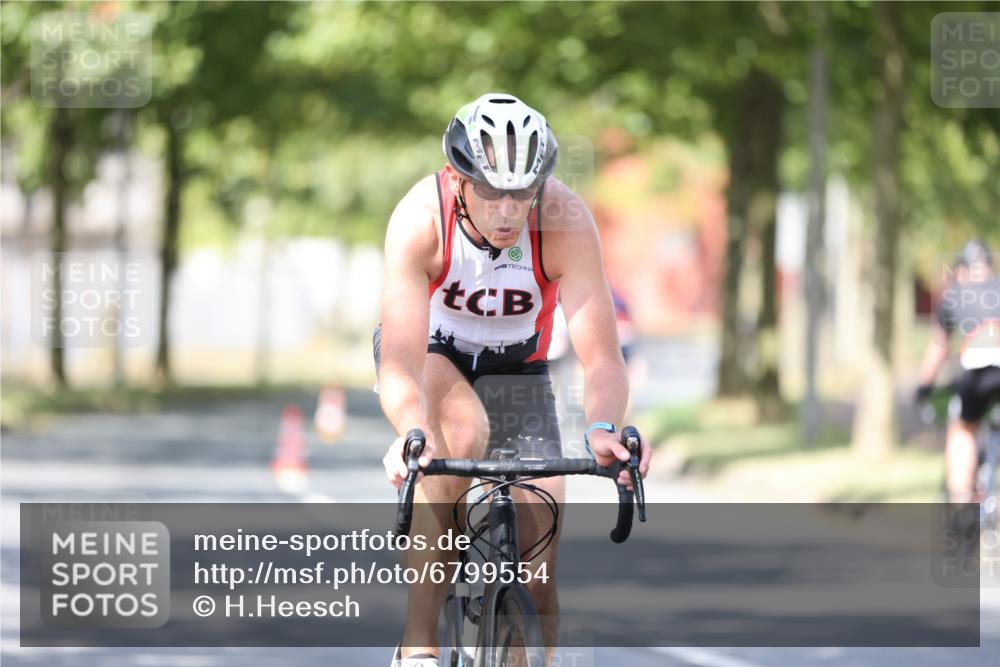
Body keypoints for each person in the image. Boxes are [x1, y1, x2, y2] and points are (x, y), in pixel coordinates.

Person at [373, 93, 652, 667]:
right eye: (491, 191)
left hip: (518, 367)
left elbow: (602, 358)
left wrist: (603, 428)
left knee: (539, 552)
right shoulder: (421, 219)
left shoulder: (565, 221)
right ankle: (419, 641)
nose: (507, 211)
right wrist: (410, 431)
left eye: (522, 193)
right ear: (457, 179)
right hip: (434, 353)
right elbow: (399, 359)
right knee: (459, 432)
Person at [917, 239, 1000, 506]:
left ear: (962, 270)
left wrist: (924, 387)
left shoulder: (955, 295)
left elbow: (938, 348)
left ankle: (961, 499)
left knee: (962, 430)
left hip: (979, 373)